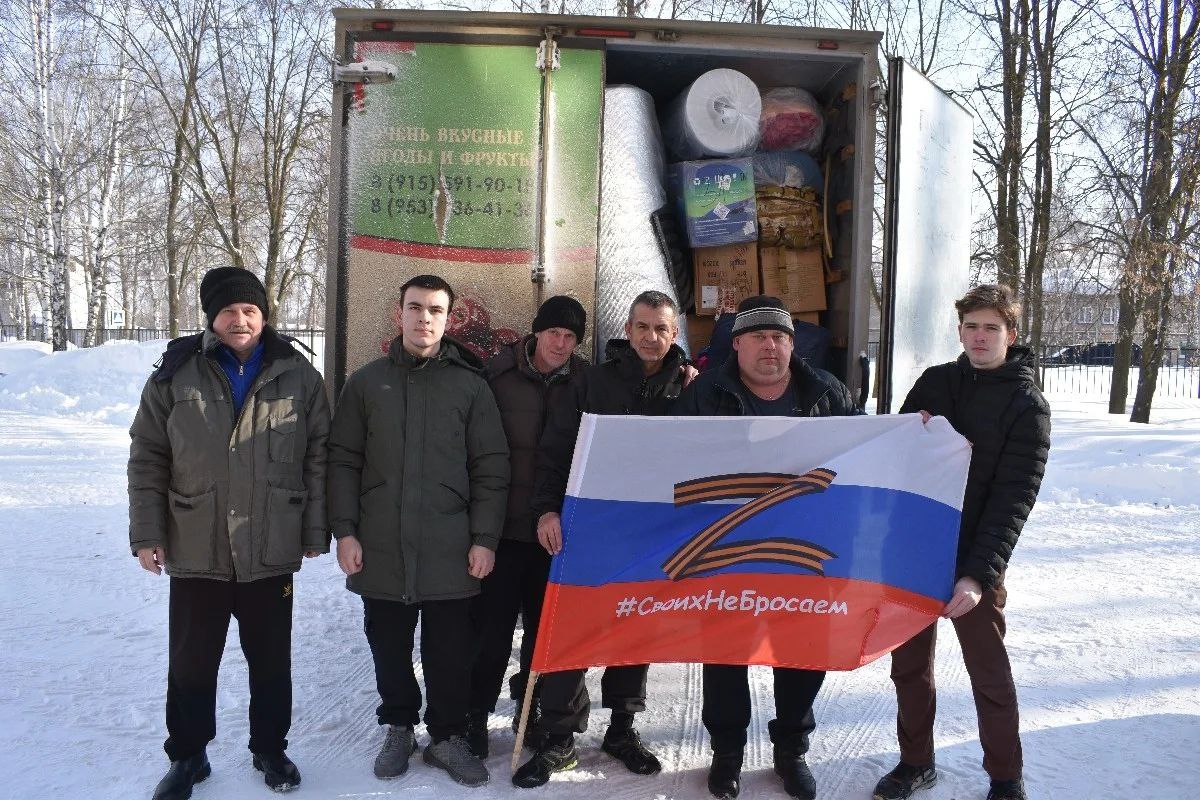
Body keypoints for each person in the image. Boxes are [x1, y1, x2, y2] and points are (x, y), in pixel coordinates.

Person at [128, 266, 330, 799]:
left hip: (270, 545)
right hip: (197, 543)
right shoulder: (175, 375)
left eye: (250, 310)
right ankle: (188, 756)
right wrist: (147, 533)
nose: (240, 320)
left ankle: (270, 748)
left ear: (264, 315)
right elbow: (148, 457)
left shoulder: (298, 374)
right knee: (191, 662)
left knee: (271, 661)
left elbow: (318, 458)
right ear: (210, 317)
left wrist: (314, 530)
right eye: (228, 311)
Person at [673, 295, 860, 800]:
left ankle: (791, 751)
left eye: (779, 336)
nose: (770, 346)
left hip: (805, 549)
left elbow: (867, 449)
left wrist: (916, 432)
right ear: (737, 344)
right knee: (725, 651)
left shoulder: (827, 392)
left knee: (803, 650)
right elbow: (671, 458)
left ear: (793, 345)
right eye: (758, 336)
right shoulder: (706, 393)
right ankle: (727, 751)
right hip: (727, 548)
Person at [326, 274, 509, 788]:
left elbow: (491, 468)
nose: (423, 318)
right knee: (388, 644)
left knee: (449, 651)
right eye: (414, 307)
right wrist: (345, 530)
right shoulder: (366, 384)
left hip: (451, 546)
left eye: (434, 310)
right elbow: (342, 461)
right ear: (399, 313)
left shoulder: (470, 387)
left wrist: (484, 538)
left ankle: (446, 736)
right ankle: (399, 726)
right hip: (380, 544)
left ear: (448, 320)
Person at [873, 284, 1050, 800]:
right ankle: (915, 763)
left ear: (1010, 335)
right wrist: (911, 432)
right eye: (971, 326)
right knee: (909, 669)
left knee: (988, 673)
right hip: (916, 553)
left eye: (991, 327)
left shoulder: (1026, 405)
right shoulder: (935, 383)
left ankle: (1005, 777)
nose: (979, 336)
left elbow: (1013, 500)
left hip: (976, 559)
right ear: (959, 331)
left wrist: (976, 575)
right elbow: (894, 459)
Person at [512, 290, 694, 789]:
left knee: (636, 628)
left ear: (673, 333)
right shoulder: (591, 382)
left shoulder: (690, 389)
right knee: (572, 627)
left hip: (654, 533)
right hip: (589, 527)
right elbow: (555, 450)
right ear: (628, 330)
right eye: (642, 326)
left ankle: (622, 728)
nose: (651, 337)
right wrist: (546, 510)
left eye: (661, 328)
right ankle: (559, 736)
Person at [465, 295, 590, 759]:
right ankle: (475, 714)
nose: (561, 343)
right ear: (536, 332)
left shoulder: (586, 381)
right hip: (503, 529)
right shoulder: (497, 376)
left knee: (545, 633)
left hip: (556, 533)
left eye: (571, 336)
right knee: (490, 634)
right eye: (554, 332)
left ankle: (530, 708)